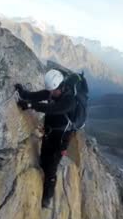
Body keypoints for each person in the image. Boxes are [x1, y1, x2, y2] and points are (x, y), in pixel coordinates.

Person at [15, 69, 79, 208]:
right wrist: (22, 92)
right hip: (49, 134)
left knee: (51, 169)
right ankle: (41, 183)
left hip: (61, 140)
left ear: (61, 87)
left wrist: (31, 105)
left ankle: (47, 198)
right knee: (43, 160)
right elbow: (34, 96)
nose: (50, 93)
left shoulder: (69, 100)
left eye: (53, 91)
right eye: (50, 90)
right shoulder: (53, 91)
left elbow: (54, 109)